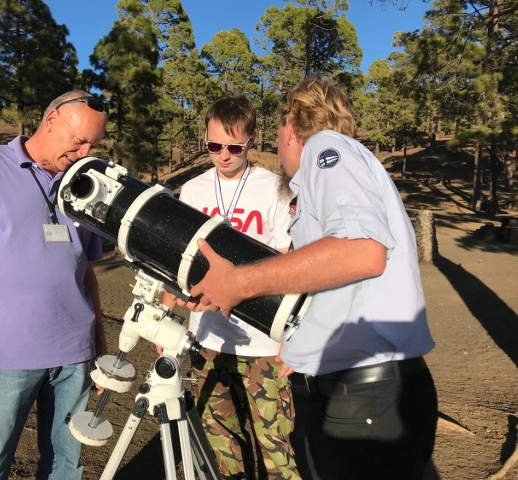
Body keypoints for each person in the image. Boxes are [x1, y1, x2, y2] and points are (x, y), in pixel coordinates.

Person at [184, 78, 438, 480]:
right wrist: (304, 344)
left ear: (290, 126)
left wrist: (240, 283)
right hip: (364, 393)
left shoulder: (325, 149)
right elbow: (340, 276)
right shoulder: (337, 167)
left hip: (364, 398)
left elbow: (363, 251)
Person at [0, 90, 109, 480]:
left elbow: (87, 272)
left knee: (65, 468)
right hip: (1, 359)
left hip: (74, 361)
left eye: (93, 145)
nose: (85, 153)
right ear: (50, 121)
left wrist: (99, 345)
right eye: (79, 141)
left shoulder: (85, 184)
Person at [164, 95, 299, 479]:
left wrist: (293, 338)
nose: (223, 155)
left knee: (278, 454)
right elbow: (178, 265)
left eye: (233, 147)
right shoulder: (191, 192)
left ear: (251, 141)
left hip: (264, 345)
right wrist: (167, 315)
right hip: (206, 342)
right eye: (213, 145)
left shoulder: (276, 189)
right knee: (225, 452)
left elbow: (289, 267)